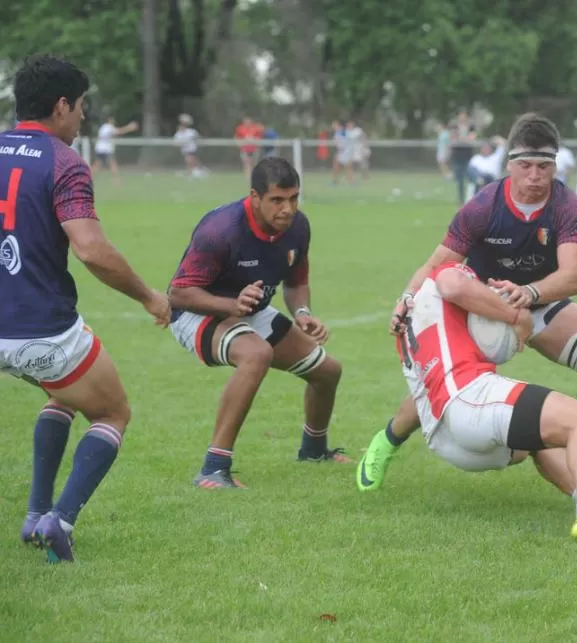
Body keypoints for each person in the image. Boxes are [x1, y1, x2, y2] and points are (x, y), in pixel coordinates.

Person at [359, 112, 577, 500]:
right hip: (483, 310)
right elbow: (440, 264)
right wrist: (406, 299)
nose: (535, 176)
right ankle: (388, 440)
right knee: (450, 385)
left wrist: (531, 295)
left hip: (539, 301)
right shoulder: (484, 206)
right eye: (525, 166)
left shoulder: (569, 208)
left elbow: (574, 276)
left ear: (556, 166)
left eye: (544, 166)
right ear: (509, 165)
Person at [0, 55, 171, 563]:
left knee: (63, 395)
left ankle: (34, 514)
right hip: (41, 330)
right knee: (113, 411)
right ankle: (60, 519)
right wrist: (148, 296)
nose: (83, 118)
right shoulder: (62, 160)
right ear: (61, 106)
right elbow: (92, 250)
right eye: (81, 107)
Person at [364, 259, 577, 545]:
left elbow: (421, 393)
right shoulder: (452, 272)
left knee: (542, 438)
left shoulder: (409, 318)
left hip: (445, 439)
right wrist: (516, 317)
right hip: (471, 399)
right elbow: (453, 284)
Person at [167, 157, 351, 489]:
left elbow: (295, 284)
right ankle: (213, 470)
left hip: (249, 309)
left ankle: (313, 450)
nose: (288, 209)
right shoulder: (221, 229)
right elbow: (177, 294)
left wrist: (304, 314)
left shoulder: (298, 228)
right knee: (256, 355)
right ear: (255, 196)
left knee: (328, 371)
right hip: (197, 313)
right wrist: (231, 304)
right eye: (277, 200)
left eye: (294, 198)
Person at [91, 115, 139, 183]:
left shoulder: (104, 127)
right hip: (105, 149)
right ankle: (116, 179)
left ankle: (89, 178)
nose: (113, 121)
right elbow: (119, 131)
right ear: (109, 120)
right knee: (112, 163)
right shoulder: (108, 127)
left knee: (97, 164)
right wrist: (129, 127)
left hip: (100, 148)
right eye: (112, 119)